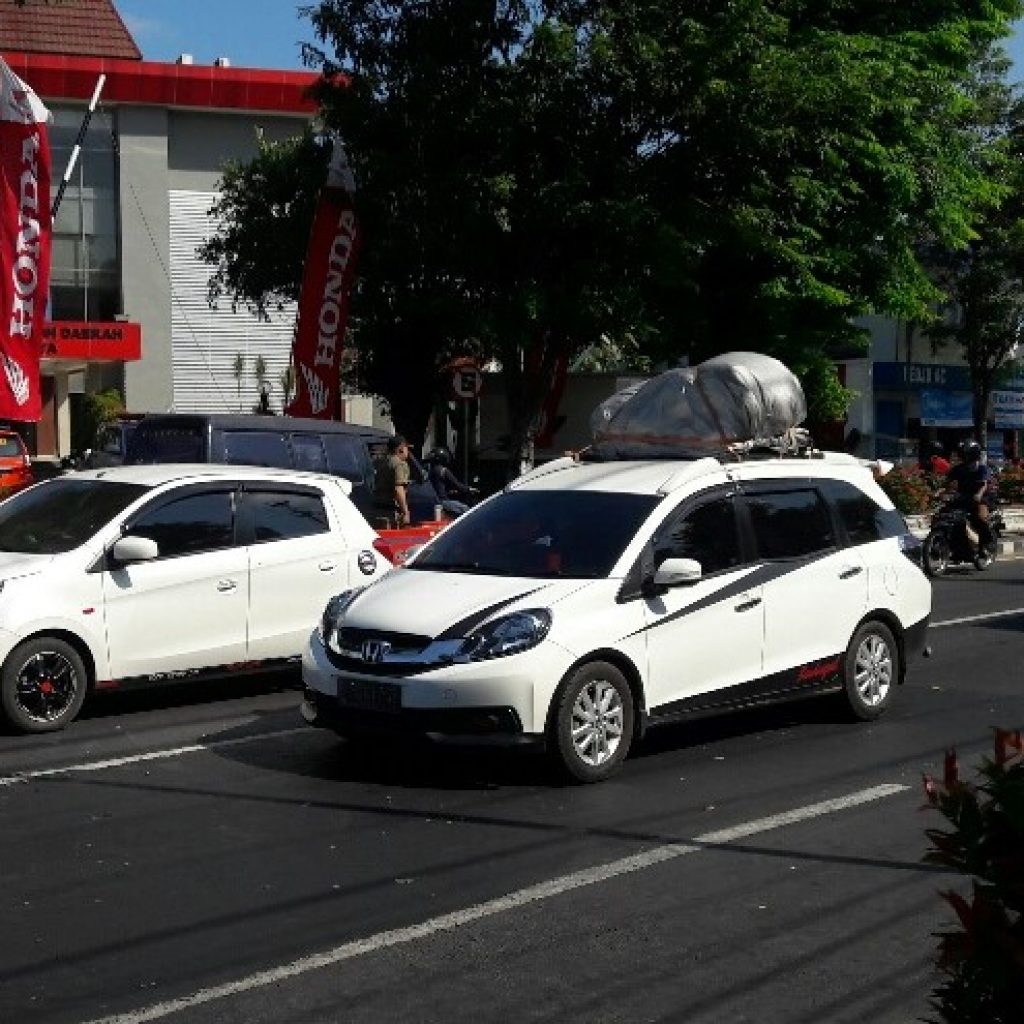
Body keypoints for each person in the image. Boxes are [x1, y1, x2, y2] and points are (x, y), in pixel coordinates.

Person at [945, 440, 993, 551]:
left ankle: (987, 542)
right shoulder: (958, 469)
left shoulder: (981, 468)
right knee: (944, 514)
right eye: (963, 453)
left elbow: (984, 484)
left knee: (978, 518)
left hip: (980, 499)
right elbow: (947, 482)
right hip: (963, 497)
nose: (964, 456)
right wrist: (940, 492)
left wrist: (979, 494)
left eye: (967, 454)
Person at [374, 435, 412, 527]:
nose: (408, 451)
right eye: (407, 448)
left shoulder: (381, 462)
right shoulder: (399, 464)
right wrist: (405, 512)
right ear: (401, 449)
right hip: (392, 509)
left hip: (378, 507)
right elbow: (399, 488)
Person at [427, 447, 476, 516]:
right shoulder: (443, 470)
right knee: (468, 511)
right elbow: (457, 485)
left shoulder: (430, 471)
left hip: (433, 501)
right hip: (442, 501)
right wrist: (469, 489)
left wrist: (451, 491)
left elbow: (438, 486)